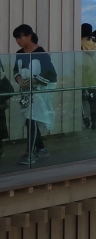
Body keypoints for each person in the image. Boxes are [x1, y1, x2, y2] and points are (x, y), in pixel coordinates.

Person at [12, 25, 56, 164]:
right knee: (29, 121)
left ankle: (29, 153)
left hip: (39, 92)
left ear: (29, 36)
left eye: (20, 37)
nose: (18, 41)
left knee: (32, 119)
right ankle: (41, 149)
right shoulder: (19, 53)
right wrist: (20, 80)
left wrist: (34, 80)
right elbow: (16, 71)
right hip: (26, 92)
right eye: (16, 38)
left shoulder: (41, 53)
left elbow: (51, 74)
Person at [79, 23, 96, 130]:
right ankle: (94, 122)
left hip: (81, 74)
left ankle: (82, 118)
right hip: (93, 74)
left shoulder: (78, 44)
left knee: (80, 99)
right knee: (93, 100)